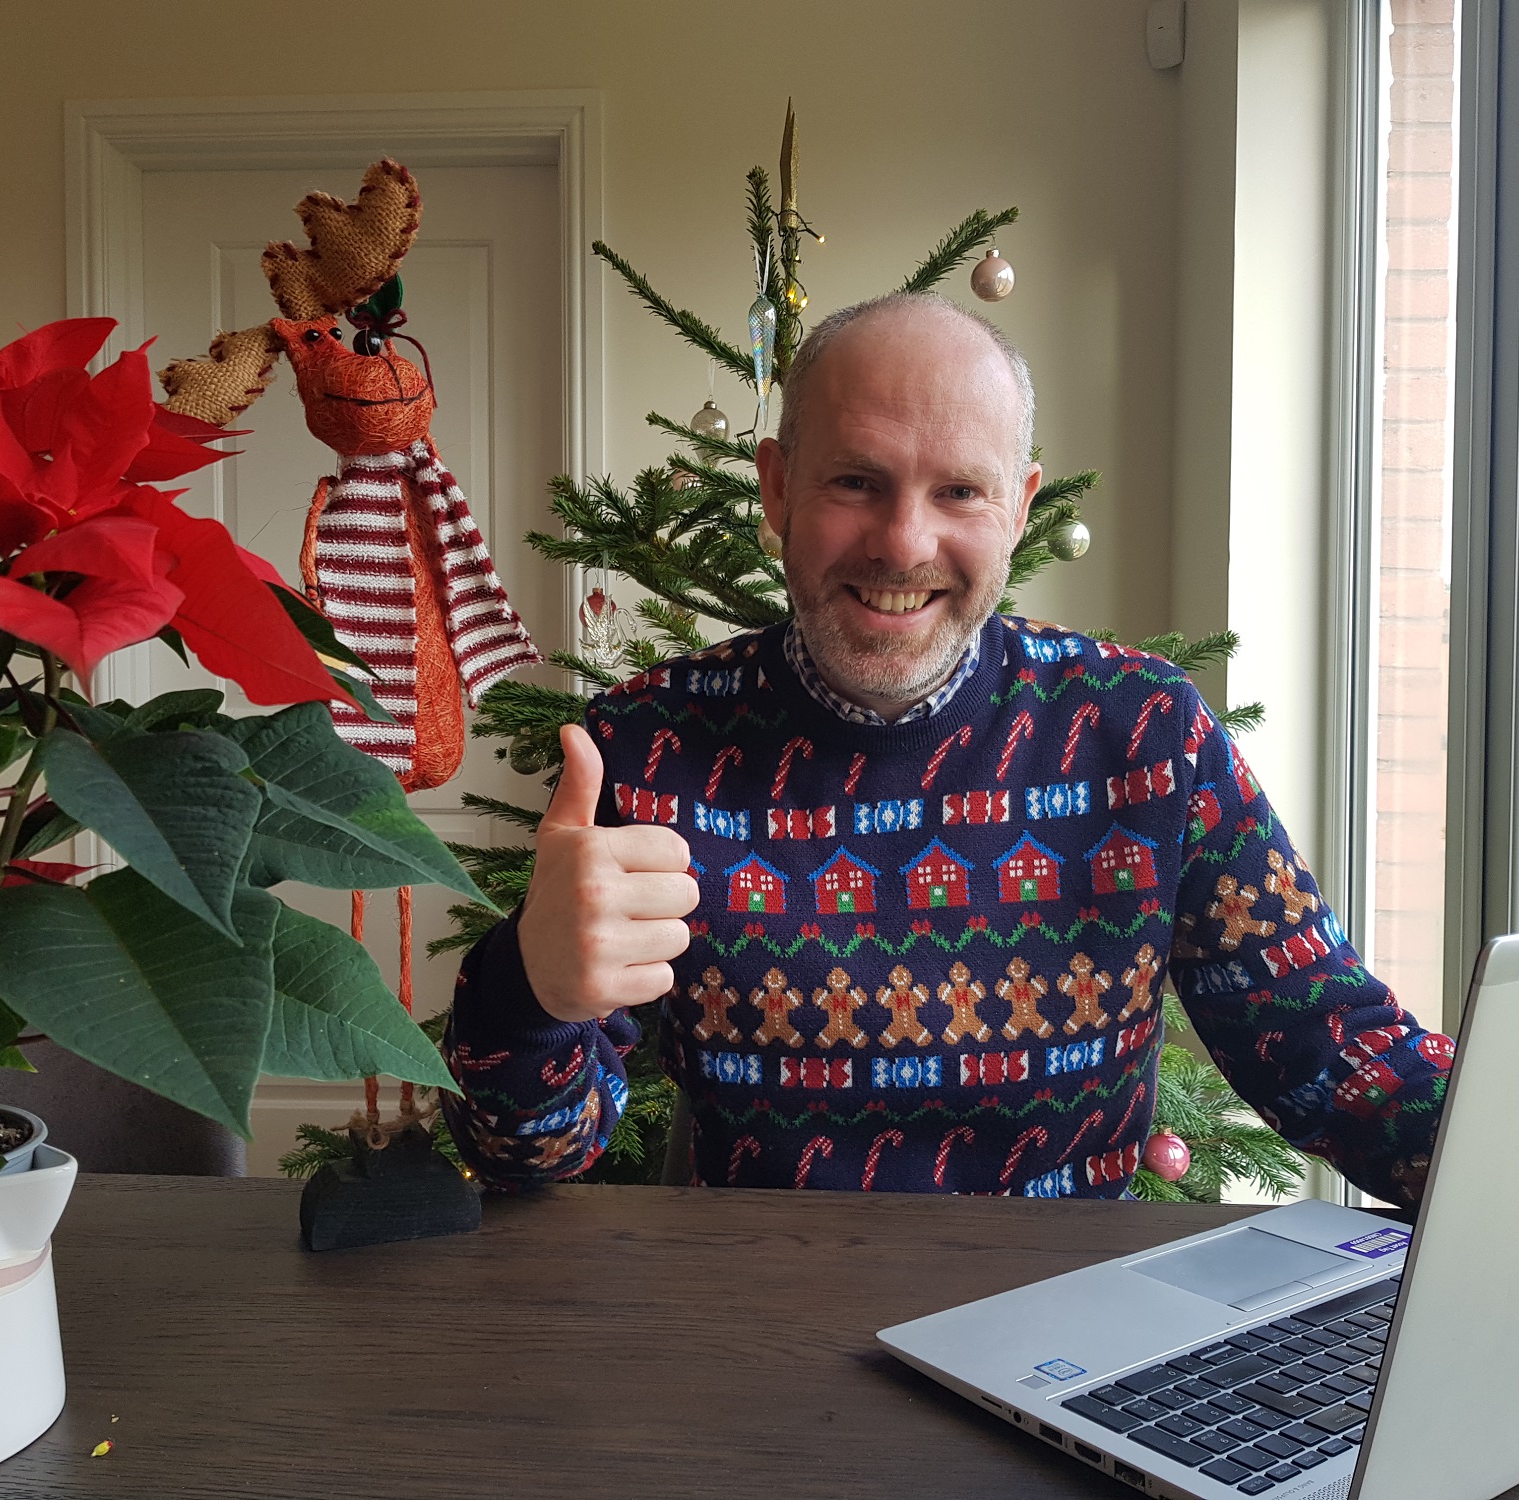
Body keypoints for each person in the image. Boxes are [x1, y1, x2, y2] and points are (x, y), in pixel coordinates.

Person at [440, 293, 1450, 1206]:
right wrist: (526, 987)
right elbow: (524, 1151)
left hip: (1059, 1346)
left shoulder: (1144, 733)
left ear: (1019, 505)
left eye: (959, 492)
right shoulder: (650, 747)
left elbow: (1336, 1059)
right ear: (777, 490)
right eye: (854, 481)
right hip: (755, 1342)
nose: (904, 544)